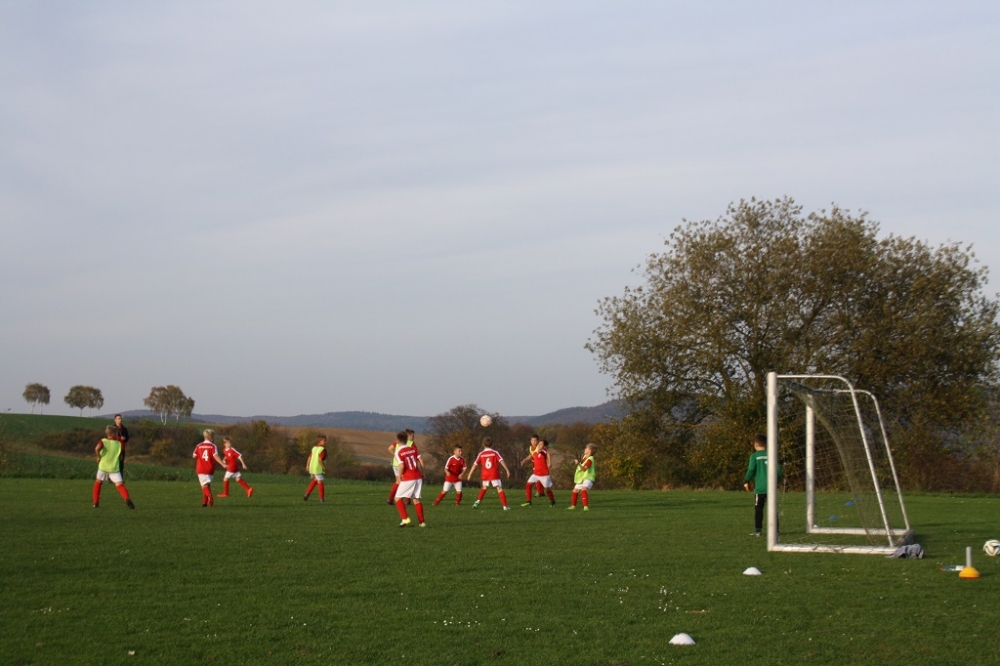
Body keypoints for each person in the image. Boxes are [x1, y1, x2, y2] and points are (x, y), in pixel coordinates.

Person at [744, 433, 781, 537]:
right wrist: (777, 481)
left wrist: (746, 480)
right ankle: (776, 530)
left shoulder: (754, 456)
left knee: (759, 509)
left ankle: (758, 530)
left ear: (756, 444)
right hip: (772, 488)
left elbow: (751, 469)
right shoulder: (772, 454)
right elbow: (779, 470)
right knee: (773, 508)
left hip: (760, 488)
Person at [93, 425, 135, 509]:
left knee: (98, 483)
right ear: (113, 434)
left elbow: (97, 448)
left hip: (103, 466)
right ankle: (127, 498)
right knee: (119, 485)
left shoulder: (103, 441)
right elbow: (121, 456)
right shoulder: (118, 444)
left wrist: (98, 457)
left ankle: (95, 502)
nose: (117, 435)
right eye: (116, 433)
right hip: (114, 468)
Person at [466, 437, 511, 510]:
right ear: (492, 444)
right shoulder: (495, 453)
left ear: (483, 444)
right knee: (499, 489)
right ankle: (505, 506)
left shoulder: (481, 454)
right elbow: (501, 460)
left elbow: (475, 464)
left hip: (485, 474)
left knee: (484, 487)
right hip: (493, 473)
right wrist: (507, 470)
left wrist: (470, 474)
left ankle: (477, 502)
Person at [393, 431, 426, 527]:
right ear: (406, 440)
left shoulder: (398, 452)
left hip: (408, 477)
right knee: (416, 499)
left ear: (397, 441)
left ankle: (405, 518)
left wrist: (399, 476)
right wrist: (423, 472)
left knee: (397, 498)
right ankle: (422, 522)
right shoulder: (413, 449)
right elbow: (421, 460)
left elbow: (402, 466)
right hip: (418, 476)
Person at [193, 429, 226, 508]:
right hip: (210, 469)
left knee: (204, 486)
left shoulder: (199, 445)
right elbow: (215, 456)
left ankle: (209, 496)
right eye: (213, 436)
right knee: (207, 485)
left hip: (201, 468)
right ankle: (204, 503)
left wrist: (200, 458)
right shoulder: (213, 446)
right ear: (211, 437)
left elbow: (194, 456)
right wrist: (222, 464)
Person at [520, 439, 556, 507]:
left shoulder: (543, 451)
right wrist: (524, 460)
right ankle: (528, 501)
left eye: (541, 444)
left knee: (547, 489)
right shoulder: (536, 452)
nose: (539, 445)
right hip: (536, 474)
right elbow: (531, 456)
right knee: (528, 484)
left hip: (544, 474)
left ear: (544, 446)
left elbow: (548, 454)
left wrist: (549, 462)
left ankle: (553, 502)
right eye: (539, 444)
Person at [567, 444, 596, 511]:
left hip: (588, 477)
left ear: (590, 450)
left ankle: (585, 507)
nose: (585, 449)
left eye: (586, 448)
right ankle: (573, 506)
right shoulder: (585, 457)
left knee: (583, 489)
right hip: (582, 477)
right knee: (575, 491)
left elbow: (584, 469)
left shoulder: (590, 459)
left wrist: (578, 463)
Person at [304, 434, 328, 502]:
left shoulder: (314, 448)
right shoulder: (322, 449)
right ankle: (321, 498)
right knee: (320, 481)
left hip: (312, 467)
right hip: (318, 468)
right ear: (320, 441)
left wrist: (307, 465)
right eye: (324, 440)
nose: (326, 442)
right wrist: (324, 467)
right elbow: (320, 460)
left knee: (315, 480)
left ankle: (307, 494)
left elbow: (309, 457)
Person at [114, 414, 129, 478]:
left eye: (121, 418)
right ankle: (112, 478)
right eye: (118, 418)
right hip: (114, 449)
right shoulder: (113, 428)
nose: (120, 420)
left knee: (121, 464)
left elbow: (127, 438)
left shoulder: (124, 429)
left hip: (122, 449)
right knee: (114, 463)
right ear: (115, 420)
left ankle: (120, 478)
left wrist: (125, 438)